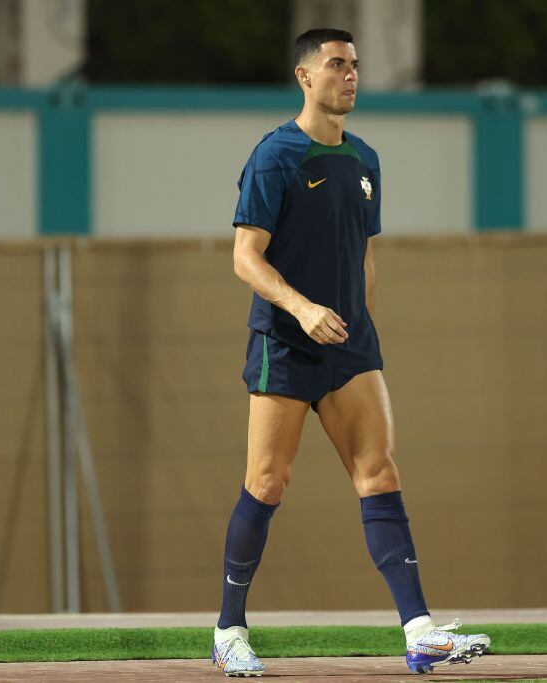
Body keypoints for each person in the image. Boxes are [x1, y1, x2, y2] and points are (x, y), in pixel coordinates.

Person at [212, 28, 491, 677]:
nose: (351, 75)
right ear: (305, 77)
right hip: (284, 343)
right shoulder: (275, 155)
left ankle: (419, 631)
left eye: (356, 65)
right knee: (266, 483)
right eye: (336, 65)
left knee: (380, 474)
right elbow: (243, 257)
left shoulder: (365, 159)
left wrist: (354, 322)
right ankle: (228, 628)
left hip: (349, 346)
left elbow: (365, 257)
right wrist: (304, 309)